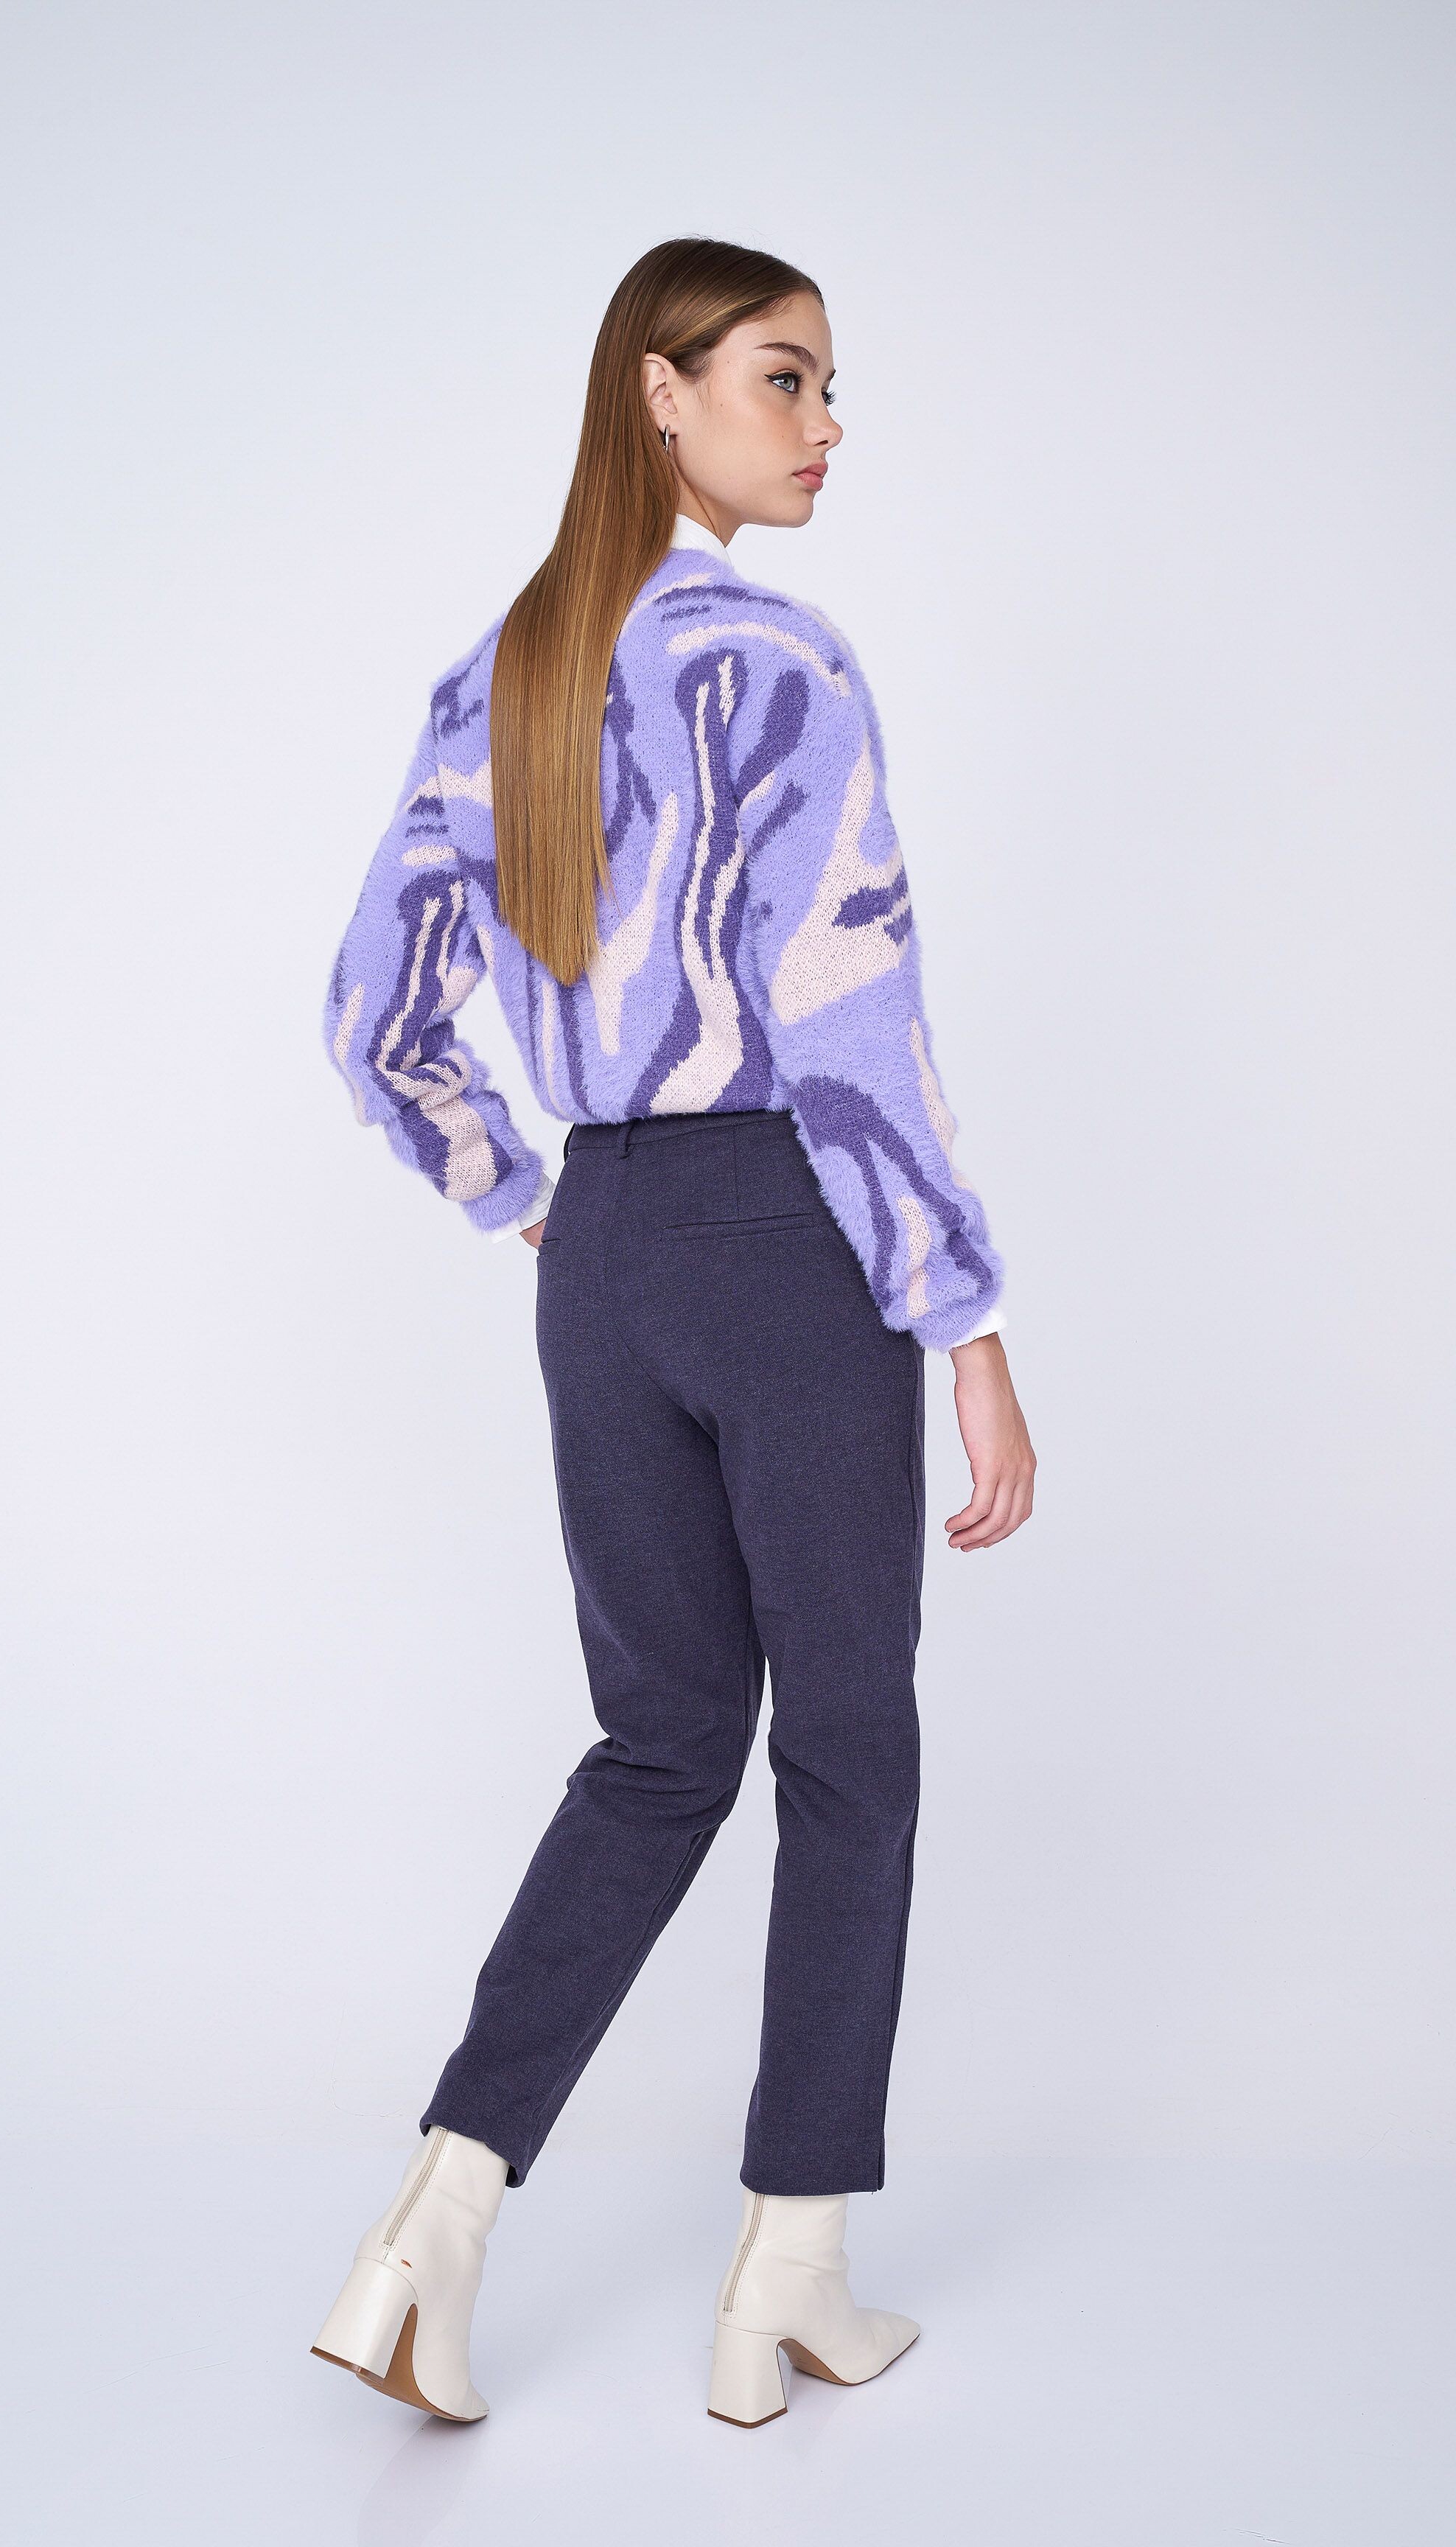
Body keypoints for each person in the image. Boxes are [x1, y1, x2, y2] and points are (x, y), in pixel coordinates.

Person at [312, 237, 1036, 2429]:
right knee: (849, 1748)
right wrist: (967, 1321)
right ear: (662, 390)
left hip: (607, 1250)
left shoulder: (501, 675)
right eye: (784, 378)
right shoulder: (775, 659)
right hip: (781, 1233)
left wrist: (524, 1192)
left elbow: (372, 1013)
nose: (827, 424)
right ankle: (788, 2280)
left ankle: (424, 2237)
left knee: (657, 1747)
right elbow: (849, 1011)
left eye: (827, 385)